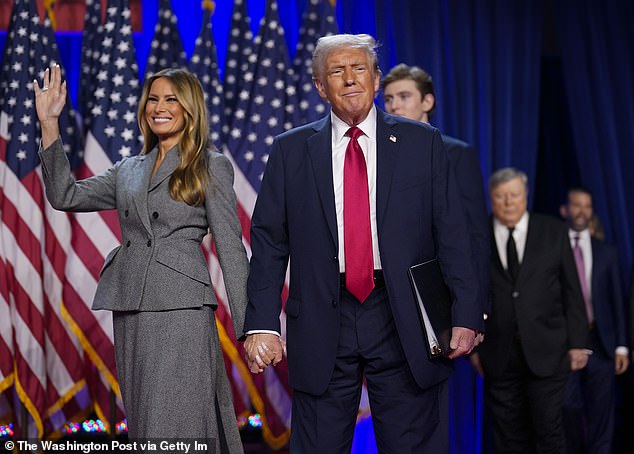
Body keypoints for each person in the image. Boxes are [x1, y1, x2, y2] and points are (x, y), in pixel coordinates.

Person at [242, 34, 483, 453]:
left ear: (375, 80)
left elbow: (453, 233)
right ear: (320, 86)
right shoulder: (289, 150)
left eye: (360, 69)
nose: (350, 79)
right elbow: (268, 243)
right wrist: (261, 323)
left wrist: (466, 312)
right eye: (337, 71)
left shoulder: (422, 143)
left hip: (401, 312)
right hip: (320, 314)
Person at [34, 65, 248, 452]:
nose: (159, 107)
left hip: (182, 306)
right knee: (147, 419)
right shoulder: (129, 169)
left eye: (171, 99)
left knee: (178, 420)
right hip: (131, 304)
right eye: (153, 98)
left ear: (189, 108)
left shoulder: (209, 164)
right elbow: (65, 195)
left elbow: (231, 247)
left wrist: (251, 328)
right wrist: (50, 124)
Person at [470, 167, 589, 453]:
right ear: (491, 198)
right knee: (508, 435)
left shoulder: (553, 231)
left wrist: (578, 344)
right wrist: (473, 347)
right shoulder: (476, 236)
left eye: (514, 195)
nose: (509, 202)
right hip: (498, 354)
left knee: (548, 429)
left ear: (526, 196)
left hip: (549, 350)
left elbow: (572, 291)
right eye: (501, 197)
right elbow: (469, 292)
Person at [381, 63, 489, 317]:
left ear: (427, 102)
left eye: (404, 97)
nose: (395, 105)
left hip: (440, 287)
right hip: (390, 291)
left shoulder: (456, 153)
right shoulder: (380, 156)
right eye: (388, 99)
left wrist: (476, 304)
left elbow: (475, 233)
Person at [559, 187, 629, 453]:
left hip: (602, 341)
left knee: (602, 413)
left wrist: (622, 346)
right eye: (576, 205)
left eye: (587, 206)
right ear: (564, 210)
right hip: (565, 343)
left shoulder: (606, 252)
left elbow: (617, 302)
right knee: (568, 408)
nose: (582, 211)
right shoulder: (554, 247)